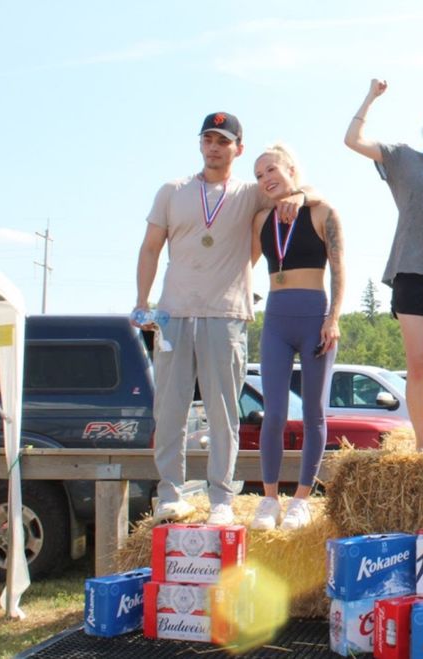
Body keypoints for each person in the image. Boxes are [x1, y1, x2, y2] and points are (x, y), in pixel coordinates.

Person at [134, 112, 315, 526]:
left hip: (226, 314)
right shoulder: (172, 190)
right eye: (208, 139)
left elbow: (300, 189)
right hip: (174, 313)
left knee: (222, 414)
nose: (214, 147)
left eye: (223, 140)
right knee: (171, 410)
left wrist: (300, 197)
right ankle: (169, 494)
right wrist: (142, 300)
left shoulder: (251, 192)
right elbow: (149, 248)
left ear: (238, 148)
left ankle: (221, 498)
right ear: (200, 143)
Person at [344, 79, 423, 453]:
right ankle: (420, 442)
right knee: (418, 363)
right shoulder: (402, 158)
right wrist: (370, 97)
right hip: (411, 271)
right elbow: (353, 140)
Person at [248, 144, 344, 530]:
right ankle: (269, 499)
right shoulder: (260, 220)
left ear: (290, 169)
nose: (265, 179)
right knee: (272, 412)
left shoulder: (322, 211)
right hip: (275, 319)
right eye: (258, 175)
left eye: (271, 169)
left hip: (315, 319)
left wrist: (333, 318)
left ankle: (302, 499)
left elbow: (339, 269)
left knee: (313, 411)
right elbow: (240, 267)